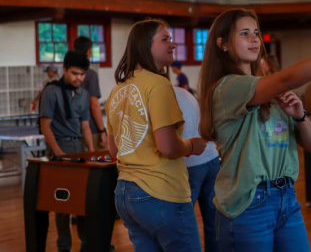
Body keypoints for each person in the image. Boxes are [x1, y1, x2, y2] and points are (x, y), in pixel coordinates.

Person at [198, 9, 311, 251]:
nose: (254, 39)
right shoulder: (227, 87)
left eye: (256, 33)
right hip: (248, 205)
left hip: (286, 199)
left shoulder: (272, 93)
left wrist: (300, 115)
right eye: (244, 33)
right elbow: (286, 79)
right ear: (223, 43)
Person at [106, 19, 208, 252]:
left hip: (125, 194)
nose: (173, 44)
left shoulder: (117, 90)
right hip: (160, 191)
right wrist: (193, 145)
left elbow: (114, 151)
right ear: (145, 45)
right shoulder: (159, 85)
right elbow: (168, 147)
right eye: (165, 39)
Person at [39, 51, 94, 252]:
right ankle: (64, 247)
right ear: (64, 70)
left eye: (82, 73)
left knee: (83, 202)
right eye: (74, 73)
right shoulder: (51, 91)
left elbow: (85, 126)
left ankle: (87, 245)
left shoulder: (84, 94)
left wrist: (92, 152)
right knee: (62, 203)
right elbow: (45, 126)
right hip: (58, 148)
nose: (79, 78)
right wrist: (58, 153)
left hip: (79, 149)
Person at [174, 86, 220, 252]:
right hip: (211, 157)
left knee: (182, 222)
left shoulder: (161, 96)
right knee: (213, 220)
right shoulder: (184, 92)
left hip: (190, 163)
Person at [74, 36, 108, 151]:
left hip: (73, 130)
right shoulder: (90, 74)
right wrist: (102, 130)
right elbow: (94, 105)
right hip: (91, 129)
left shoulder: (68, 76)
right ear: (89, 51)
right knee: (100, 165)